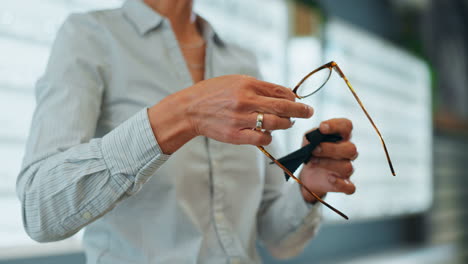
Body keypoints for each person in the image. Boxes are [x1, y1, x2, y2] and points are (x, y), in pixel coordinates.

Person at [16, 0, 357, 263]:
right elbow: (40, 211)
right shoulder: (89, 36)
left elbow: (277, 238)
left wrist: (307, 189)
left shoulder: (241, 61)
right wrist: (182, 114)